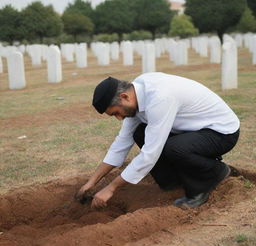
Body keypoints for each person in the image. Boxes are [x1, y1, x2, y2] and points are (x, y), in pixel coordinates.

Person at [76, 72, 240, 209]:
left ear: (124, 96)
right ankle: (174, 183)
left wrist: (111, 188)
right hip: (192, 131)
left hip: (221, 132)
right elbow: (121, 145)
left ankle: (212, 174)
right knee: (140, 133)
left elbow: (150, 154)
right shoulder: (136, 95)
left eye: (116, 113)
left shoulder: (159, 98)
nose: (119, 118)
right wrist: (91, 183)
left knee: (173, 148)